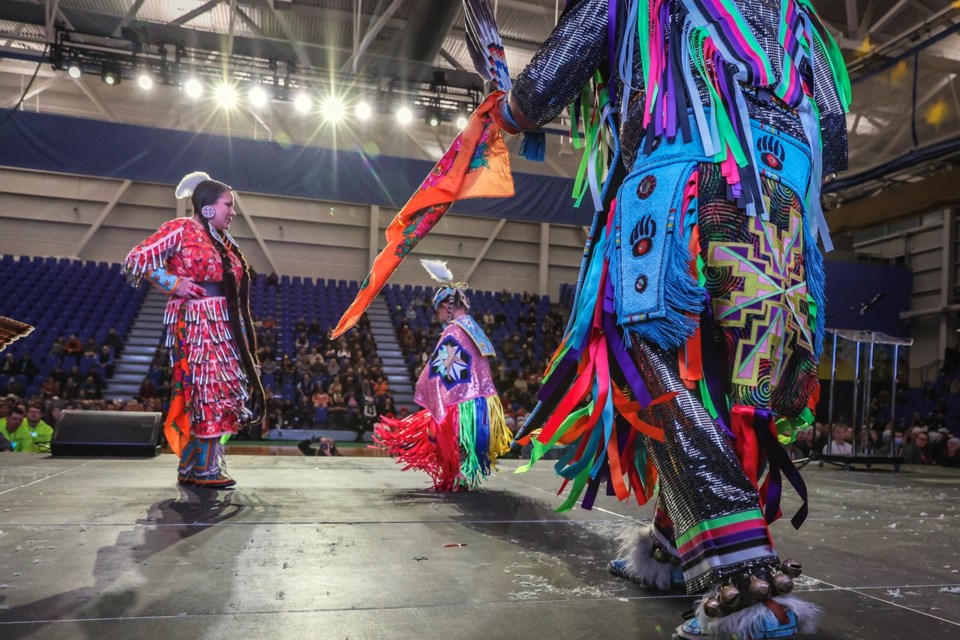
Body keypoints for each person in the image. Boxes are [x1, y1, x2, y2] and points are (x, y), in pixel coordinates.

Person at [501, 2, 849, 638]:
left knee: (653, 366)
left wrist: (503, 103)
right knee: (739, 382)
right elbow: (834, 134)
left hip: (678, 192)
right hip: (785, 207)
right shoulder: (799, 16)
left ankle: (741, 580)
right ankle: (669, 544)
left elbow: (537, 94)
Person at [122, 171, 264, 488]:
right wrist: (175, 284)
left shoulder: (223, 240)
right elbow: (139, 258)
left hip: (224, 322)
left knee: (217, 391)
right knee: (206, 390)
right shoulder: (182, 228)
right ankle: (204, 468)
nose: (233, 211)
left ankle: (194, 465)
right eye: (228, 204)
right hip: (198, 322)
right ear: (208, 207)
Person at [374, 259, 512, 491]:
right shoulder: (472, 327)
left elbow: (438, 366)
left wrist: (424, 383)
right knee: (463, 443)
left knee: (450, 440)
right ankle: (461, 477)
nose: (437, 314)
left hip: (460, 402)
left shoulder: (454, 329)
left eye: (438, 308)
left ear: (447, 306)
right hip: (481, 400)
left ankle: (457, 477)